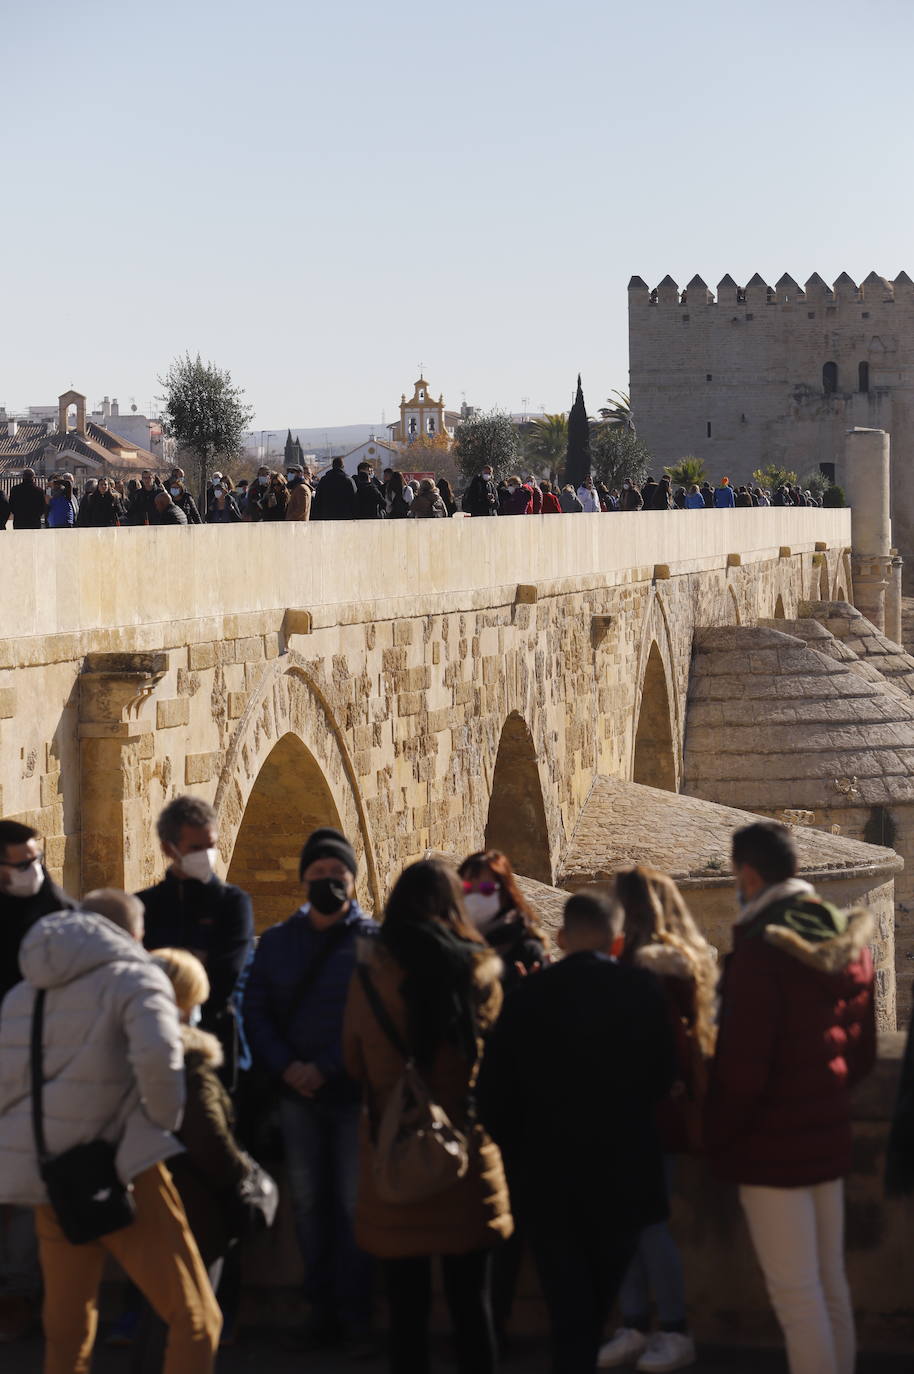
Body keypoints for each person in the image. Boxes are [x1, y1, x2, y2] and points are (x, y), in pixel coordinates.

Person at [0, 890, 222, 1374]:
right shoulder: (136, 978)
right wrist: (158, 1130)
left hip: (51, 1175)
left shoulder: (24, 992)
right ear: (134, 934)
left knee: (67, 1330)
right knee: (195, 1318)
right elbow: (161, 1063)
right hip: (124, 1166)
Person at [479, 891, 675, 1374]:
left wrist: (523, 1154)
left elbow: (493, 1095)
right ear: (617, 941)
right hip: (625, 1179)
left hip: (548, 1183)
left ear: (562, 937)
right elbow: (662, 1078)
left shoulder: (528, 996)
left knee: (569, 1311)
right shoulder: (644, 991)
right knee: (600, 1299)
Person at [705, 822, 876, 1374]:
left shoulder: (759, 957)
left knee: (796, 1297)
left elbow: (741, 1073)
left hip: (771, 1149)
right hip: (826, 1135)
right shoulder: (849, 942)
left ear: (748, 874)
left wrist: (719, 1135)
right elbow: (863, 1054)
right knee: (829, 1285)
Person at [343, 858, 512, 1374]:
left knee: (405, 1314)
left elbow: (352, 1061)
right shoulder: (481, 975)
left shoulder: (369, 977)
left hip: (394, 1154)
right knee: (471, 1306)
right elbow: (498, 1066)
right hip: (465, 1154)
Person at [243, 827, 378, 1351]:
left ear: (352, 878)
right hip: (294, 1094)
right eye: (318, 873)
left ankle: (356, 1313)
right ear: (303, 878)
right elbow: (255, 1011)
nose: (327, 881)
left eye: (336, 874)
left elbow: (374, 1022)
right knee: (308, 1204)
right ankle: (320, 1312)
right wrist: (287, 1068)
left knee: (351, 1206)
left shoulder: (372, 942)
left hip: (349, 1094)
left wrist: (326, 1067)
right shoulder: (277, 941)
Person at [598, 866, 717, 1373]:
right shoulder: (650, 964)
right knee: (626, 1223)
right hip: (631, 1112)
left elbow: (667, 1042)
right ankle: (633, 1323)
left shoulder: (655, 969)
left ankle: (672, 1328)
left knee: (646, 1224)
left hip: (648, 1113)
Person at [134, 948, 251, 1372]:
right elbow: (211, 1142)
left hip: (150, 1197)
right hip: (195, 1206)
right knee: (193, 1317)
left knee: (159, 1313)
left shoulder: (132, 1048)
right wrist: (242, 1175)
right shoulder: (188, 1064)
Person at [0, 822, 76, 1341]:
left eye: (35, 859)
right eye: (20, 863)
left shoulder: (61, 917)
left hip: (39, 1078)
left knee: (29, 1193)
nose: (33, 871)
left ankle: (20, 1298)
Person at [137, 797, 253, 1089]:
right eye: (196, 848)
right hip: (152, 1040)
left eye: (211, 845)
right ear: (168, 848)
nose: (207, 855)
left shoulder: (233, 903)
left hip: (216, 1040)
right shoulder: (144, 905)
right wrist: (195, 959)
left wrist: (167, 962)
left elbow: (227, 973)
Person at [457, 849, 547, 994]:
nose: (474, 896)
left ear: (505, 893)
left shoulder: (527, 950)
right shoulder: (451, 941)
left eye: (486, 889)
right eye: (466, 888)